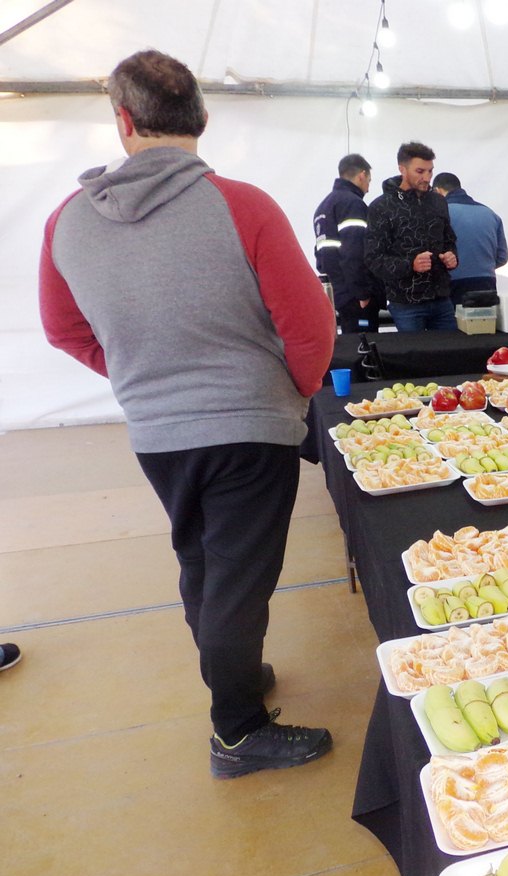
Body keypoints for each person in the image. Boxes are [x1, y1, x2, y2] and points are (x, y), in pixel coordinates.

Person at [39, 49, 336, 778]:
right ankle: (235, 732)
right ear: (201, 118)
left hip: (158, 431)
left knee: (202, 562)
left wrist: (138, 377)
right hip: (248, 423)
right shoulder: (243, 205)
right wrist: (292, 395)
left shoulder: (66, 222)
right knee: (238, 577)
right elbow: (310, 327)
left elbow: (63, 329)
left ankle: (231, 675)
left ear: (124, 122)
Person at [365, 142, 459, 332]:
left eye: (430, 171)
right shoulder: (381, 207)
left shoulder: (439, 202)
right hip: (406, 303)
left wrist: (451, 256)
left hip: (442, 298)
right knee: (414, 358)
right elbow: (373, 259)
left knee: (450, 357)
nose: (427, 177)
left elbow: (449, 240)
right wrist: (410, 265)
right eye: (420, 171)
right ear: (402, 169)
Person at [313, 153, 384, 334]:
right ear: (362, 175)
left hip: (340, 294)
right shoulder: (353, 204)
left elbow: (322, 255)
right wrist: (363, 293)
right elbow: (354, 252)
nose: (368, 188)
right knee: (366, 349)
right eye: (369, 180)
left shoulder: (323, 207)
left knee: (352, 345)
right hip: (356, 296)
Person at [432, 171, 508, 302]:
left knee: (452, 322)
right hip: (486, 283)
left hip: (451, 284)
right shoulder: (490, 214)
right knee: (483, 322)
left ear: (437, 191)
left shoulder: (439, 213)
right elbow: (502, 257)